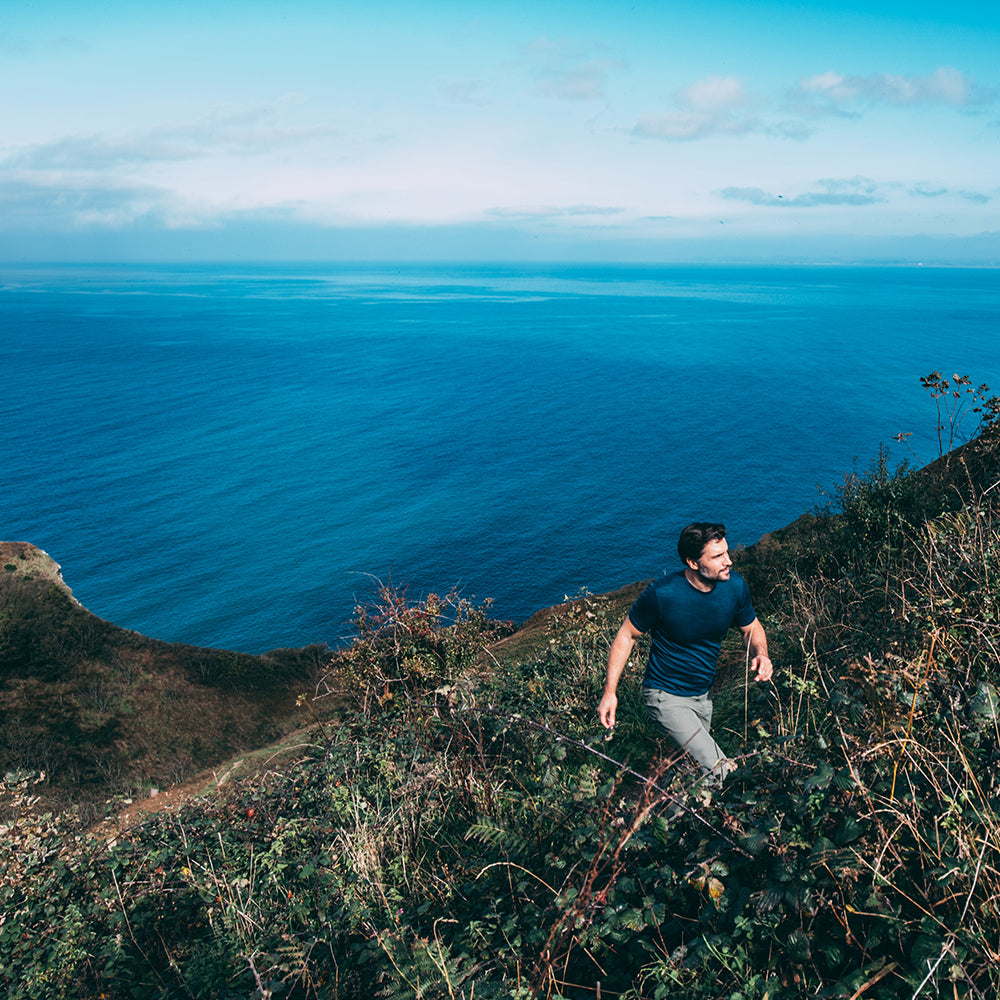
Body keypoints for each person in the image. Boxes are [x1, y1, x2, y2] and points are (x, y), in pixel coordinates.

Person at [597, 522, 773, 782]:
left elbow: (751, 628)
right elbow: (627, 635)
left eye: (726, 552)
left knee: (691, 770)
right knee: (720, 769)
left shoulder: (735, 587)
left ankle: (659, 817)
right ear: (692, 563)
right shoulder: (662, 593)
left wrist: (761, 653)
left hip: (704, 696)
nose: (729, 561)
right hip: (665, 696)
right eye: (718, 556)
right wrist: (610, 692)